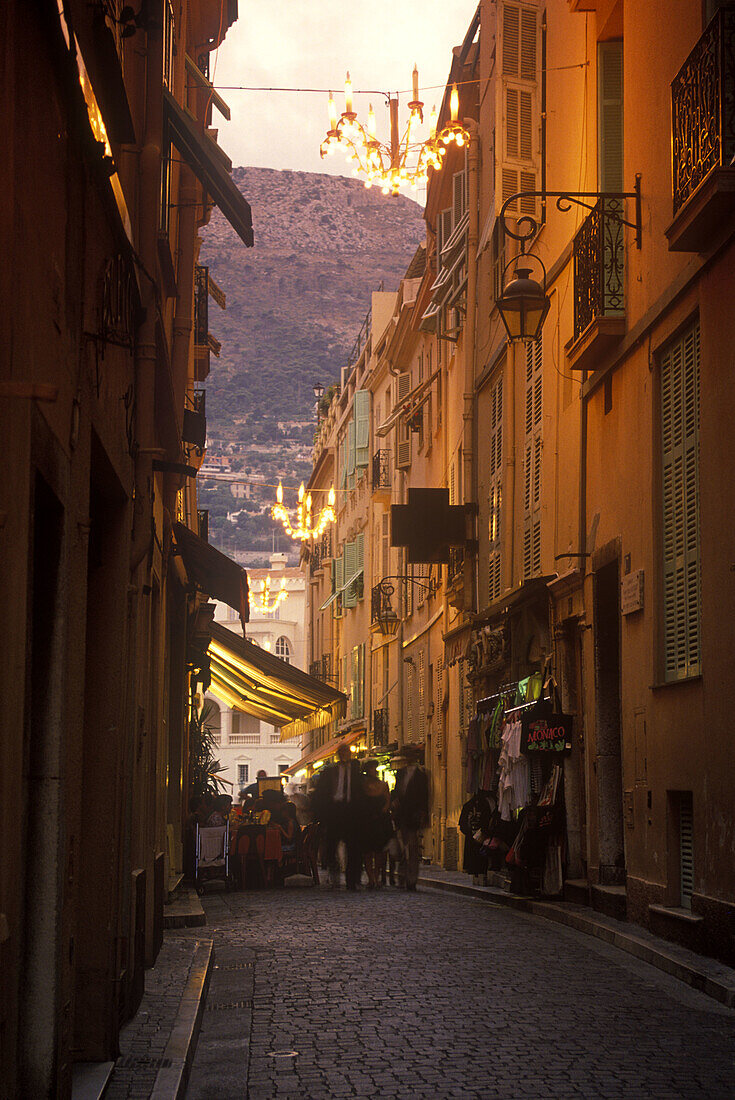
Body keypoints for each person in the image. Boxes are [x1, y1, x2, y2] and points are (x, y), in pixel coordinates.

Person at [311, 742, 365, 890]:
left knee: (353, 847)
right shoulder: (330, 771)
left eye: (347, 752)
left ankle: (351, 880)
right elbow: (321, 793)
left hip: (351, 812)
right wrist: (319, 814)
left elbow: (361, 792)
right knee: (331, 845)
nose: (345, 755)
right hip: (334, 811)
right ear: (338, 754)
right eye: (342, 752)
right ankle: (333, 874)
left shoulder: (356, 771)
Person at [390, 753, 430, 891]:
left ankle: (411, 880)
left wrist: (423, 813)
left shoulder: (421, 775)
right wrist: (393, 802)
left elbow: (424, 795)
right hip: (401, 817)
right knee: (402, 849)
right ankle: (402, 877)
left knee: (412, 849)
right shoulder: (400, 773)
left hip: (413, 817)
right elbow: (396, 791)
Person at [362, 760, 392, 889]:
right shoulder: (363, 786)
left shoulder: (383, 785)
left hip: (380, 820)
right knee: (367, 851)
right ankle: (370, 878)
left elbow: (388, 800)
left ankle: (377, 876)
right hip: (367, 820)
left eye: (375, 768)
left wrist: (384, 810)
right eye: (372, 768)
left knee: (379, 851)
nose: (374, 770)